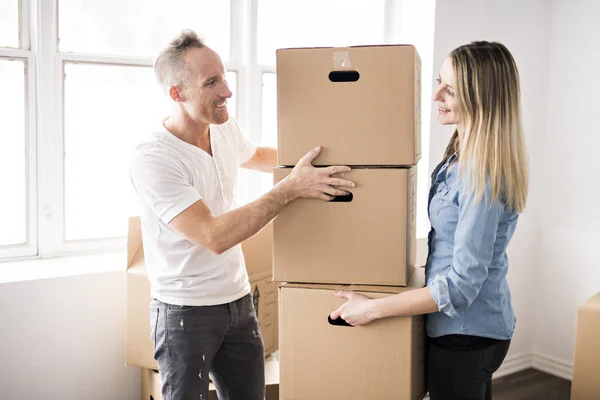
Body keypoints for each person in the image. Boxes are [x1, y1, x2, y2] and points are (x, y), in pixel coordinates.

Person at [130, 30, 355, 400]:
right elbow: (213, 235)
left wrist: (327, 155)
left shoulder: (223, 128)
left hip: (237, 301)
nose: (227, 91)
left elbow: (260, 157)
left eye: (224, 77)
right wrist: (291, 188)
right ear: (177, 93)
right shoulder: (154, 158)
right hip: (185, 314)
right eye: (212, 82)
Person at [330, 41, 529, 400]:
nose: (435, 94)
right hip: (466, 330)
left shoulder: (480, 175)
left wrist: (372, 309)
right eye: (439, 81)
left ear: (481, 98)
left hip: (467, 335)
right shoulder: (458, 155)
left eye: (450, 90)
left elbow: (462, 285)